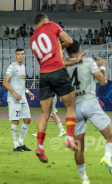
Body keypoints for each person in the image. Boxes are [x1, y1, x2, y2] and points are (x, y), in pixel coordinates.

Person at [64, 40, 112, 184]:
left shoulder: (63, 67)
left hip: (74, 109)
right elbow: (103, 81)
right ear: (80, 49)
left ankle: (85, 180)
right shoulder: (88, 61)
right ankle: (107, 157)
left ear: (67, 52)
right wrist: (102, 66)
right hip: (90, 104)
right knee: (110, 136)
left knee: (79, 147)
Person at [30, 14, 83, 163]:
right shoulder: (52, 25)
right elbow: (69, 41)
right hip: (57, 72)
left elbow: (48, 57)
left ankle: (40, 146)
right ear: (45, 21)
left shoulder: (32, 40)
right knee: (70, 105)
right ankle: (69, 138)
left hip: (44, 75)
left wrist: (57, 48)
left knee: (44, 114)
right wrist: (62, 45)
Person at [4, 48, 36, 152]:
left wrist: (28, 92)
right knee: (16, 121)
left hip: (23, 97)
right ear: (15, 56)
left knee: (27, 120)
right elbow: (5, 82)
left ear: (25, 55)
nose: (21, 56)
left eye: (22, 54)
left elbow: (21, 84)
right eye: (18, 54)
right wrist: (14, 93)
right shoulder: (12, 67)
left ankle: (21, 143)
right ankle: (15, 145)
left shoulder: (23, 67)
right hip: (14, 99)